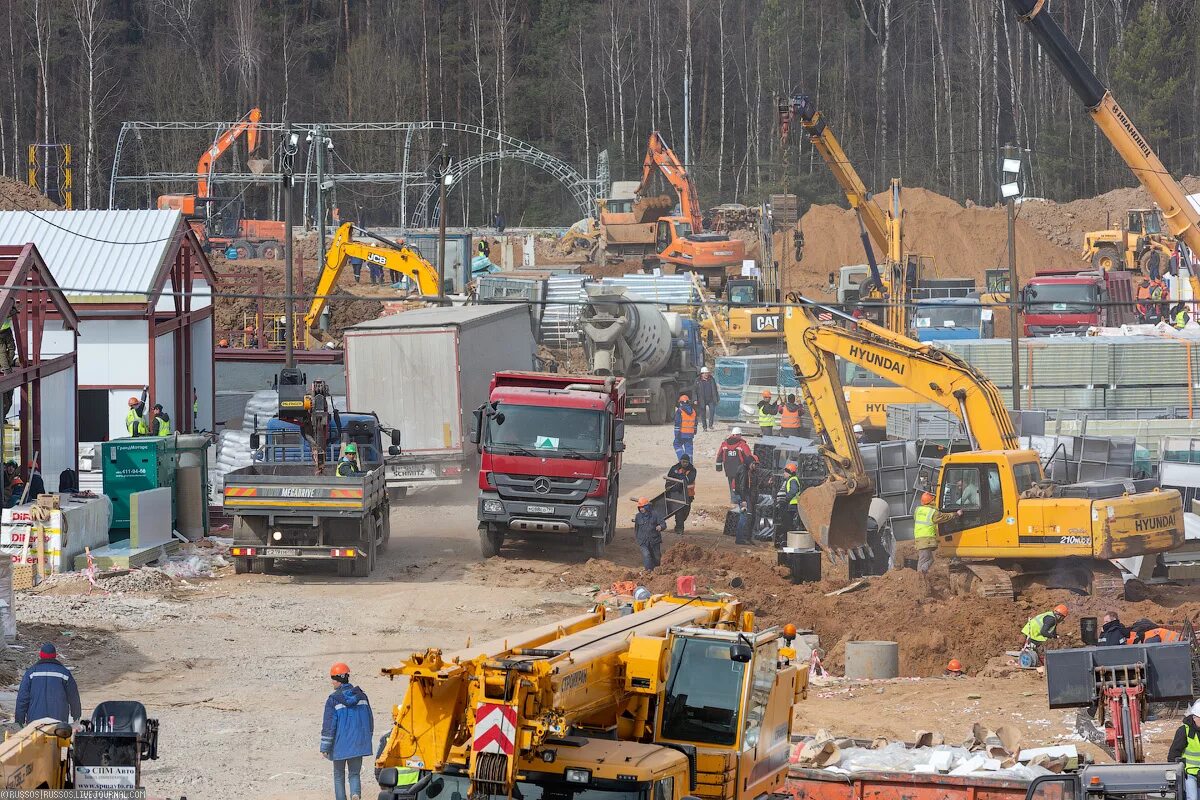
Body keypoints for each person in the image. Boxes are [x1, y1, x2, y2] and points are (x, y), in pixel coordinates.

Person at [321, 662, 374, 800]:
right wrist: (367, 737)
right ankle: (355, 794)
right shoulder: (362, 696)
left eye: (333, 678)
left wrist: (325, 746)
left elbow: (329, 726)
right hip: (358, 743)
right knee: (354, 774)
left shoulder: (333, 700)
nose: (332, 682)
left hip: (340, 745)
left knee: (339, 775)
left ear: (338, 679)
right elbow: (370, 720)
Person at [15, 642, 81, 726]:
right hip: (58, 720)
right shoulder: (64, 673)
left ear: (41, 655)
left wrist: (19, 719)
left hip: (35, 720)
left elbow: (22, 698)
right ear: (55, 655)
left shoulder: (31, 672)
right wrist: (76, 715)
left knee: (36, 739)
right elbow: (73, 697)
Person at [913, 491, 961, 576]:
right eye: (933, 499)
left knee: (929, 559)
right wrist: (956, 514)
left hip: (919, 538)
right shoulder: (932, 512)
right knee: (924, 560)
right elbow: (944, 517)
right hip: (926, 539)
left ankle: (921, 575)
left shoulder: (918, 510)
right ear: (931, 501)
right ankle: (920, 576)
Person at [1169, 700, 1200, 800]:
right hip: (1190, 774)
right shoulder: (1184, 731)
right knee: (1193, 798)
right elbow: (1173, 755)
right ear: (1195, 717)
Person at [716, 427, 754, 503]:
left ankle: (733, 500)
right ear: (739, 435)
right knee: (742, 485)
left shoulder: (724, 444)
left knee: (731, 485)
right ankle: (740, 501)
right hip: (740, 470)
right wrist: (751, 467)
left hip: (729, 469)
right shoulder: (742, 445)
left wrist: (718, 467)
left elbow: (719, 455)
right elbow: (748, 456)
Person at [666, 455, 696, 534]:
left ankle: (679, 524)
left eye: (686, 462)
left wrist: (678, 476)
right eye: (683, 462)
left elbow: (687, 480)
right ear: (680, 461)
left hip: (688, 495)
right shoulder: (674, 468)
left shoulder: (692, 470)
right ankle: (679, 529)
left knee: (685, 513)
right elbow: (668, 480)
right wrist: (669, 489)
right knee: (679, 512)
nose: (685, 463)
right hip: (677, 494)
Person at [633, 497, 665, 570]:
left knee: (657, 557)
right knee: (646, 555)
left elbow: (663, 524)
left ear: (647, 507)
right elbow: (636, 529)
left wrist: (660, 527)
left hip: (654, 541)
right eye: (640, 507)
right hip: (643, 541)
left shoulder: (655, 514)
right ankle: (648, 571)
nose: (641, 509)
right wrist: (638, 539)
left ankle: (656, 569)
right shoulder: (638, 516)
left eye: (642, 507)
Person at [692, 366, 719, 432]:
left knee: (712, 411)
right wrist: (695, 399)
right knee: (703, 413)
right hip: (702, 399)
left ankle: (710, 425)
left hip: (711, 399)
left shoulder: (711, 379)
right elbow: (694, 390)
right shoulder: (697, 380)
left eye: (707, 373)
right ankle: (704, 427)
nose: (706, 374)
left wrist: (717, 398)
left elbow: (715, 389)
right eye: (705, 373)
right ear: (702, 374)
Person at [672, 394, 697, 460]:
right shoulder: (693, 411)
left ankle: (682, 459)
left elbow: (677, 423)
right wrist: (694, 431)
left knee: (676, 444)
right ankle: (689, 463)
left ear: (681, 403)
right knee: (689, 448)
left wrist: (676, 434)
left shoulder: (680, 411)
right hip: (690, 434)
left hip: (682, 433)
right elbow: (695, 422)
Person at [780, 462, 802, 531]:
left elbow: (793, 491)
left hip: (793, 504)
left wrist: (787, 499)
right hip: (793, 504)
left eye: (785, 472)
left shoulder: (792, 480)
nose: (784, 473)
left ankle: (790, 537)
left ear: (789, 473)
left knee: (790, 523)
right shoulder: (793, 479)